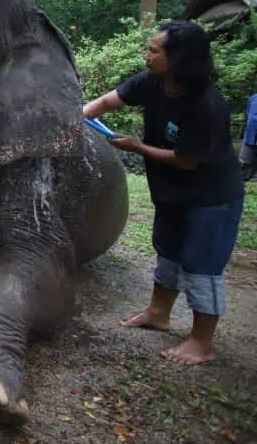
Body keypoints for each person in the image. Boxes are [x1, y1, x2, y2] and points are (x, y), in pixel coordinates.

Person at [83, 19, 245, 366]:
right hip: (172, 193)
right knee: (168, 252)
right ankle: (159, 313)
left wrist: (136, 147)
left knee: (201, 266)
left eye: (154, 51)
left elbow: (186, 161)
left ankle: (202, 342)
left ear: (180, 59)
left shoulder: (206, 105)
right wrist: (78, 115)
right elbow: (108, 102)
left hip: (211, 198)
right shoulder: (153, 82)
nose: (146, 55)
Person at [240, 92, 256, 181]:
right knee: (244, 165)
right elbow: (248, 113)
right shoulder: (253, 98)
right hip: (250, 136)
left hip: (250, 136)